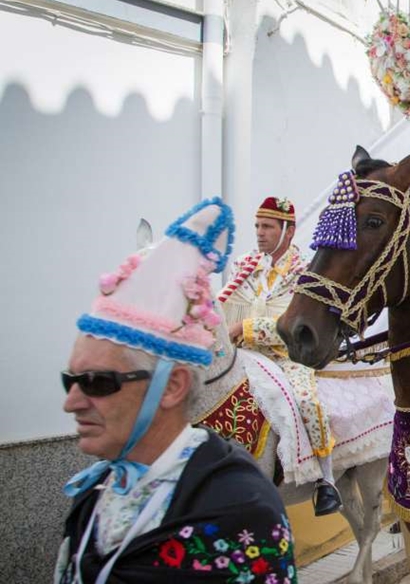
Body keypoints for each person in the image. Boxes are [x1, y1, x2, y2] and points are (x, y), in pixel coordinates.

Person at [57, 200, 296, 582]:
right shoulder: (90, 493)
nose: (70, 402)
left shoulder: (240, 509)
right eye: (70, 380)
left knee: (295, 397)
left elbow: (295, 319)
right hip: (232, 349)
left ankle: (320, 470)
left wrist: (249, 330)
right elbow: (225, 307)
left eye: (98, 382)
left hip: (281, 351)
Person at [220, 197, 341, 515]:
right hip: (244, 354)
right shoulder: (243, 265)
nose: (260, 233)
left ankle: (326, 482)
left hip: (288, 356)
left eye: (267, 226)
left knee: (306, 400)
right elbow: (226, 309)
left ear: (288, 231)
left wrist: (245, 328)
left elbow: (298, 325)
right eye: (257, 226)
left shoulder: (305, 272)